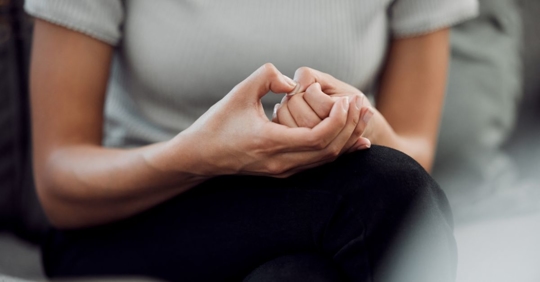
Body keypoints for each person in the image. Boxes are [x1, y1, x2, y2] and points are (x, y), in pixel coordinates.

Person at [25, 0, 478, 281]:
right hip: (131, 216)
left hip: (309, 211)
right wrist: (198, 155)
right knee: (387, 189)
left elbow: (415, 145)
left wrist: (361, 121)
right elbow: (58, 184)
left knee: (297, 277)